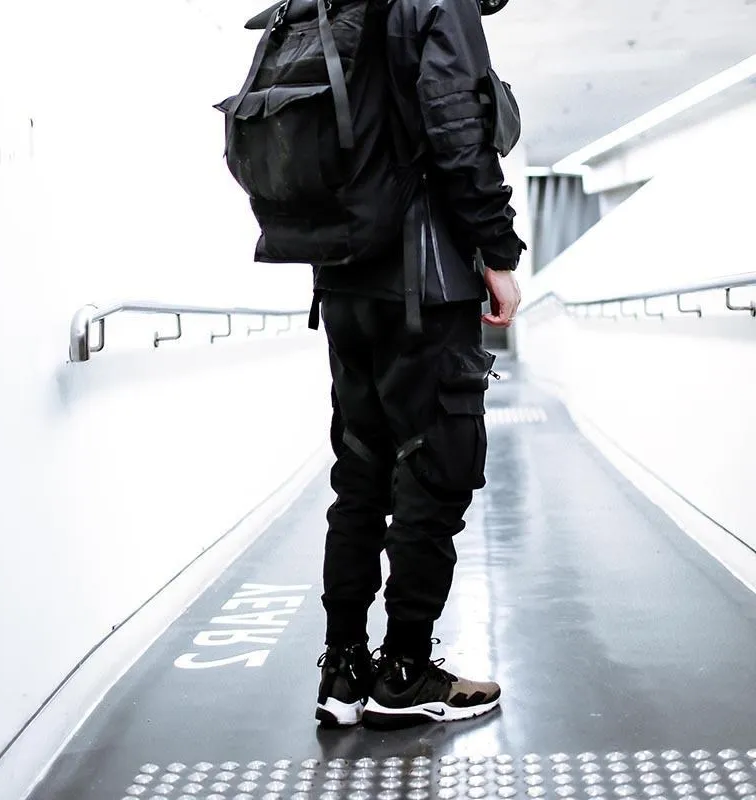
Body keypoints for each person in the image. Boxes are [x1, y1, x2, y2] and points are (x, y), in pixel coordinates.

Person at [313, 0, 526, 729]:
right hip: (423, 286)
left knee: (360, 472)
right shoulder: (437, 2)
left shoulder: (336, 4)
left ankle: (343, 669)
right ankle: (404, 670)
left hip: (343, 280)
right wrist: (498, 252)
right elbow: (458, 131)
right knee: (435, 471)